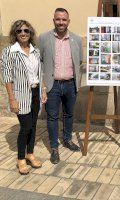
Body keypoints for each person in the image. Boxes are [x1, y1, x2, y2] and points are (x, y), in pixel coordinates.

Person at [1, 20, 47, 175]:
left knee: (33, 126)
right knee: (26, 126)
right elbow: (7, 78)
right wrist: (12, 99)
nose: (23, 33)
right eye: (19, 31)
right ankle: (21, 158)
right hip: (20, 95)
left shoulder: (36, 51)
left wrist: (43, 90)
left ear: (30, 33)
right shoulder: (9, 52)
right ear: (15, 34)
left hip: (35, 93)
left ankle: (30, 153)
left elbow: (40, 73)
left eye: (26, 31)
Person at [39, 8, 83, 164]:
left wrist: (77, 82)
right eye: (58, 19)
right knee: (52, 117)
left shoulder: (77, 39)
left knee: (69, 114)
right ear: (53, 20)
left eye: (64, 19)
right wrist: (43, 86)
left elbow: (79, 62)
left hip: (71, 84)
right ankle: (54, 148)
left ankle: (67, 139)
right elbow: (41, 62)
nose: (61, 22)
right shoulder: (44, 38)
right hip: (53, 85)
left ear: (68, 21)